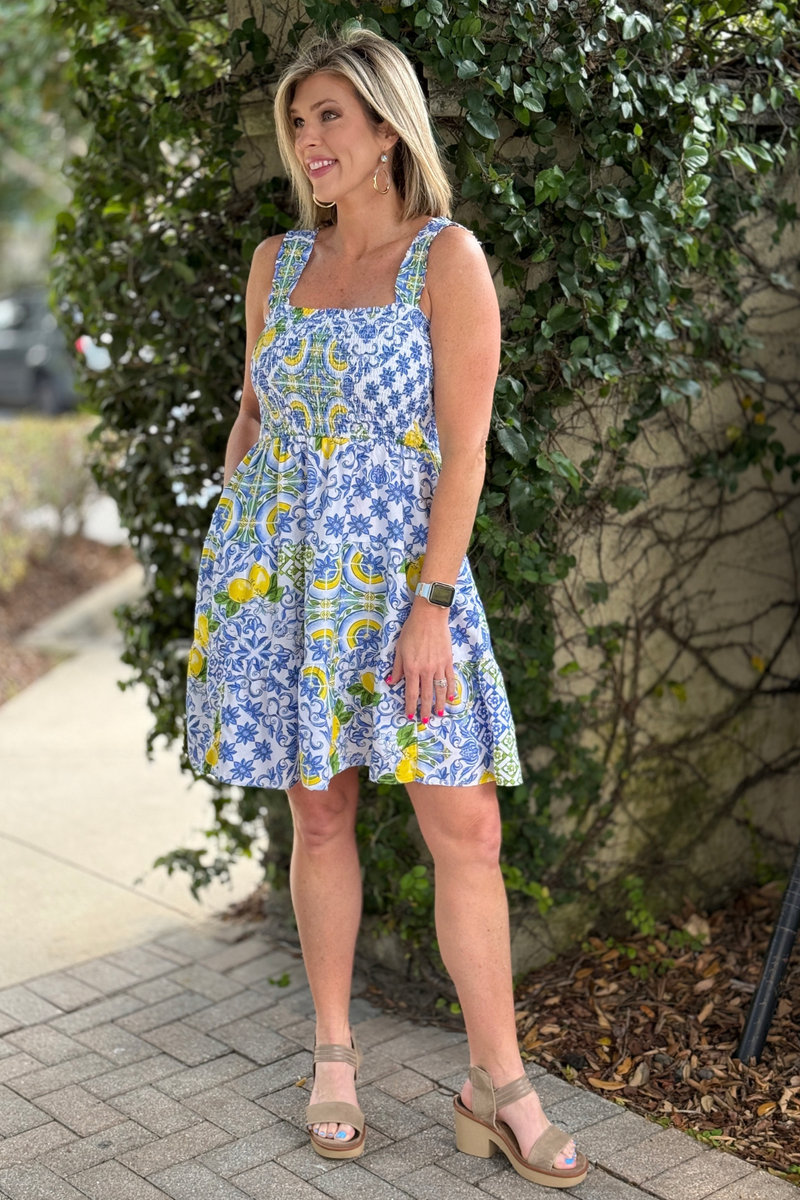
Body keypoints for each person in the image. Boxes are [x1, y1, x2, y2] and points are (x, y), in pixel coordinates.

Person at [185, 23, 587, 1190]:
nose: (307, 139)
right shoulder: (277, 263)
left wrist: (430, 604)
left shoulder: (443, 259)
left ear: (385, 130)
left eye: (329, 117)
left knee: (466, 828)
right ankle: (332, 1055)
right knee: (319, 818)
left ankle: (495, 1084)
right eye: (296, 120)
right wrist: (240, 533)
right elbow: (253, 410)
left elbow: (465, 453)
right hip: (284, 585)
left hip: (406, 585)